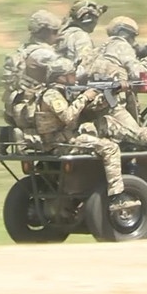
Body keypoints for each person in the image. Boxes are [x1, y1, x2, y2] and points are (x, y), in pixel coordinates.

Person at [33, 57, 128, 210]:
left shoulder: (59, 92)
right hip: (60, 144)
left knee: (101, 127)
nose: (75, 78)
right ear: (61, 77)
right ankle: (117, 196)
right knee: (110, 148)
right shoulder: (52, 95)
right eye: (71, 74)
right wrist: (85, 96)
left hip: (62, 139)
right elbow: (68, 116)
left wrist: (106, 94)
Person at [81, 16, 147, 149]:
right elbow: (137, 74)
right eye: (132, 36)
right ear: (125, 33)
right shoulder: (121, 45)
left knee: (120, 129)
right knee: (132, 130)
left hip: (95, 97)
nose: (133, 40)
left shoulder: (102, 47)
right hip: (111, 98)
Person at [2, 10, 61, 134]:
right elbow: (70, 70)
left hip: (16, 109)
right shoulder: (44, 54)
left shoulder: (24, 50)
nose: (58, 36)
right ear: (45, 32)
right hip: (34, 112)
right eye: (55, 32)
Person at [57, 0, 107, 65]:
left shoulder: (62, 32)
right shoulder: (81, 37)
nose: (96, 22)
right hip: (72, 73)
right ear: (87, 19)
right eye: (95, 18)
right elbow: (85, 65)